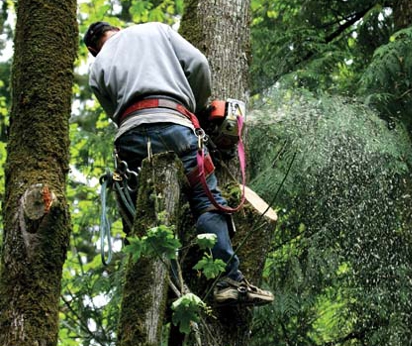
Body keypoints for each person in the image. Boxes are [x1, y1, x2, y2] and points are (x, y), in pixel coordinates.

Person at [84, 21, 274, 306]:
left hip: (130, 139)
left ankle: (153, 299)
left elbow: (114, 112)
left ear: (92, 48)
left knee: (146, 217)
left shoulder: (97, 67)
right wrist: (197, 107)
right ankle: (228, 281)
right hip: (175, 125)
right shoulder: (155, 30)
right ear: (118, 29)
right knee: (206, 201)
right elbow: (198, 63)